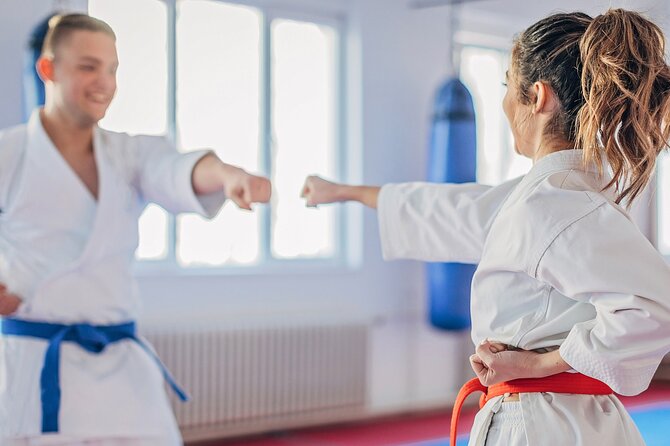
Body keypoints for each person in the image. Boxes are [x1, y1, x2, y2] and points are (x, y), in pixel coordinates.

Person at [301, 9, 670, 446]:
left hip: (543, 423)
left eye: (506, 85)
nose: (502, 103)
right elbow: (452, 209)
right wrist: (345, 192)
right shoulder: (546, 197)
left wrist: (541, 364)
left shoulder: (555, 205)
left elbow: (655, 309)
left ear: (537, 96)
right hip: (559, 419)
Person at [0, 13, 271, 446]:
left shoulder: (129, 154)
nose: (104, 82)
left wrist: (226, 174)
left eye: (113, 69)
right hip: (34, 373)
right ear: (48, 69)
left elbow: (177, 168)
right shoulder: (8, 154)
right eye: (89, 66)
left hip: (122, 374)